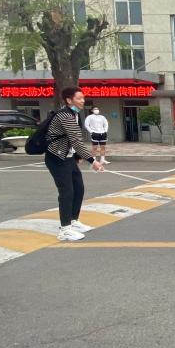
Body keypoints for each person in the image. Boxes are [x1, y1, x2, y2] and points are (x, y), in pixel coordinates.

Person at [46, 87, 105, 242]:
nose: (83, 101)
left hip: (68, 157)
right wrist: (93, 161)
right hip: (57, 158)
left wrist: (77, 156)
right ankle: (65, 230)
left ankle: (73, 221)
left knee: (78, 188)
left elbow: (73, 141)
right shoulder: (65, 115)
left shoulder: (74, 114)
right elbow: (76, 141)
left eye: (83, 98)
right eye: (79, 98)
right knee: (67, 192)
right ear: (69, 100)